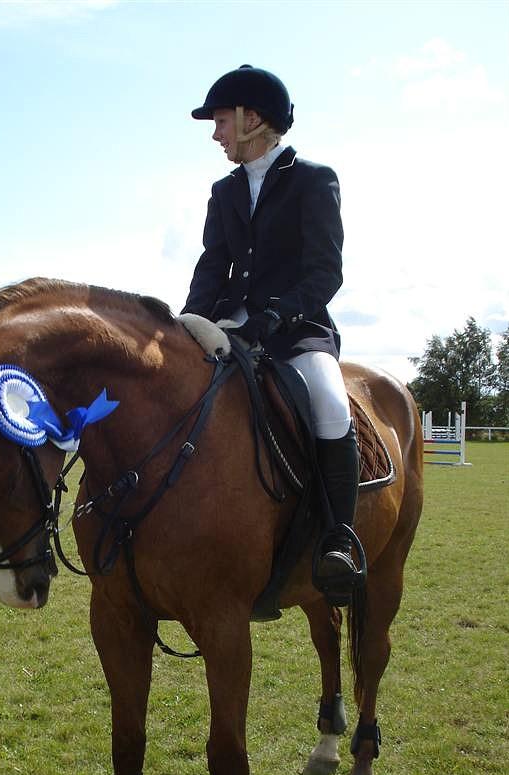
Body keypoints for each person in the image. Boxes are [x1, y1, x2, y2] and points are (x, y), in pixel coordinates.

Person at [182, 64, 361, 602]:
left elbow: (325, 271)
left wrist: (278, 315)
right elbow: (212, 267)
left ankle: (337, 541)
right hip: (234, 327)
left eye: (220, 122)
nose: (216, 135)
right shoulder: (224, 191)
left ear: (251, 118)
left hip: (299, 332)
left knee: (332, 405)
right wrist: (187, 322)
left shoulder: (314, 179)